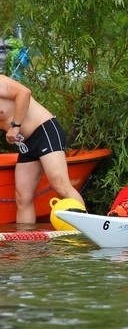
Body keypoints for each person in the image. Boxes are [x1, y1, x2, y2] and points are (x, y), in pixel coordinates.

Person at [0, 75, 86, 223]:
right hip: (26, 145)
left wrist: (15, 127)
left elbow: (24, 92)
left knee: (60, 185)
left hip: (44, 131)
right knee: (22, 198)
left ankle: (87, 230)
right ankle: (25, 244)